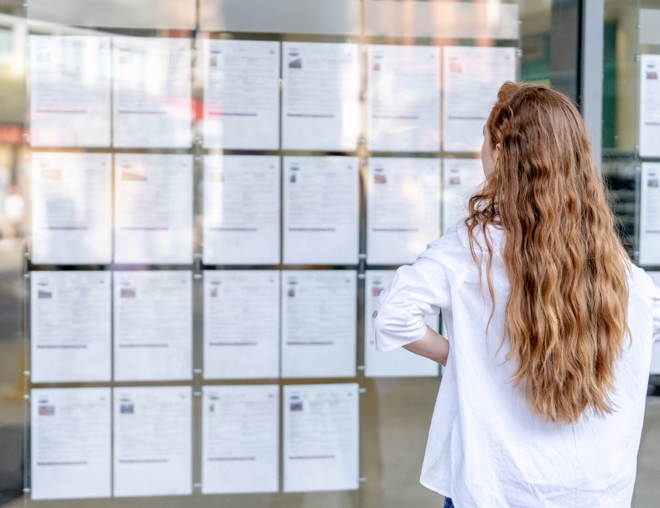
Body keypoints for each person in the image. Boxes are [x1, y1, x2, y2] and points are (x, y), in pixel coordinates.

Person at [373, 82, 660, 507]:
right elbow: (646, 331)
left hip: (497, 487)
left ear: (502, 153)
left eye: (486, 143)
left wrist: (462, 356)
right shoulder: (611, 259)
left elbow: (395, 316)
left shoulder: (475, 247)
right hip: (597, 488)